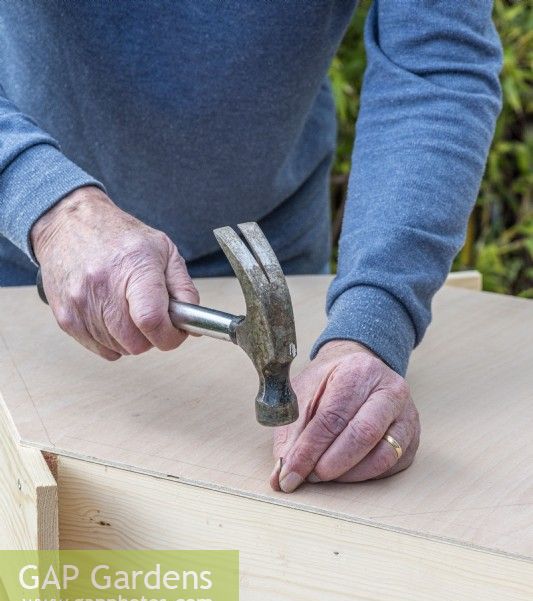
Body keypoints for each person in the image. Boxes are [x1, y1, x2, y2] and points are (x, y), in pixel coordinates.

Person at [0, 2, 501, 492]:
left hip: (276, 238)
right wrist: (50, 209)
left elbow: (434, 64)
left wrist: (373, 321)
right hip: (23, 251)